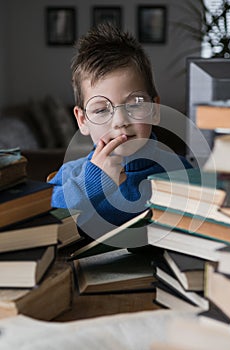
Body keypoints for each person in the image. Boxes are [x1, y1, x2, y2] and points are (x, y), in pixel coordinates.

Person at [49, 23, 192, 240]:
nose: (120, 121)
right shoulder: (72, 176)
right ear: (82, 120)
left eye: (134, 104)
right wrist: (92, 183)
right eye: (100, 110)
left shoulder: (180, 171)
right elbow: (44, 217)